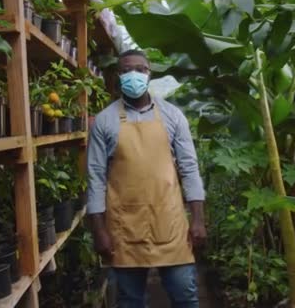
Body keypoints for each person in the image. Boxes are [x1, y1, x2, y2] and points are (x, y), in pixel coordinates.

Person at [86, 49, 207, 308]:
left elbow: (189, 168)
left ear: (149, 74)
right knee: (130, 300)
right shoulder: (105, 121)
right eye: (127, 70)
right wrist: (99, 231)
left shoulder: (173, 116)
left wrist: (197, 219)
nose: (134, 75)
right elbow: (95, 178)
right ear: (119, 75)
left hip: (170, 224)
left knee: (185, 295)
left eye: (140, 69)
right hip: (124, 228)